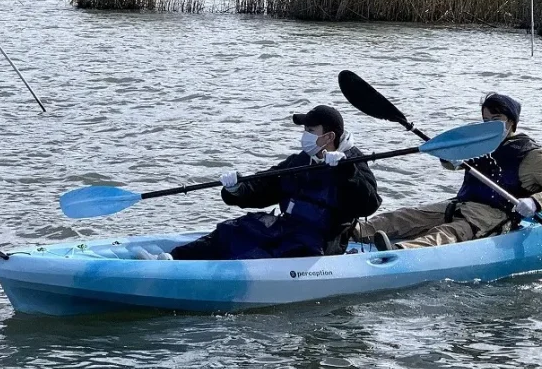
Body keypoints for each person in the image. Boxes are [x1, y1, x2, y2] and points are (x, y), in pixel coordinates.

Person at [158, 105, 381, 261]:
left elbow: (369, 204)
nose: (305, 135)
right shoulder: (300, 161)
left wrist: (346, 172)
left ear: (329, 137)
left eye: (311, 131)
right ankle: (173, 258)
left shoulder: (352, 162)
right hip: (288, 228)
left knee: (267, 253)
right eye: (305, 130)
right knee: (232, 231)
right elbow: (265, 185)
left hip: (322, 242)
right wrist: (236, 189)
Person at [354, 93, 542, 250]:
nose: (489, 126)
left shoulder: (531, 155)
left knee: (448, 233)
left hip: (494, 216)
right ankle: (352, 232)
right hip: (461, 204)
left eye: (496, 120)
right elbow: (451, 164)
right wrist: (449, 158)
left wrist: (534, 202)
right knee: (405, 215)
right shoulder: (482, 143)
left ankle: (401, 251)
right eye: (486, 121)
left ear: (511, 121)